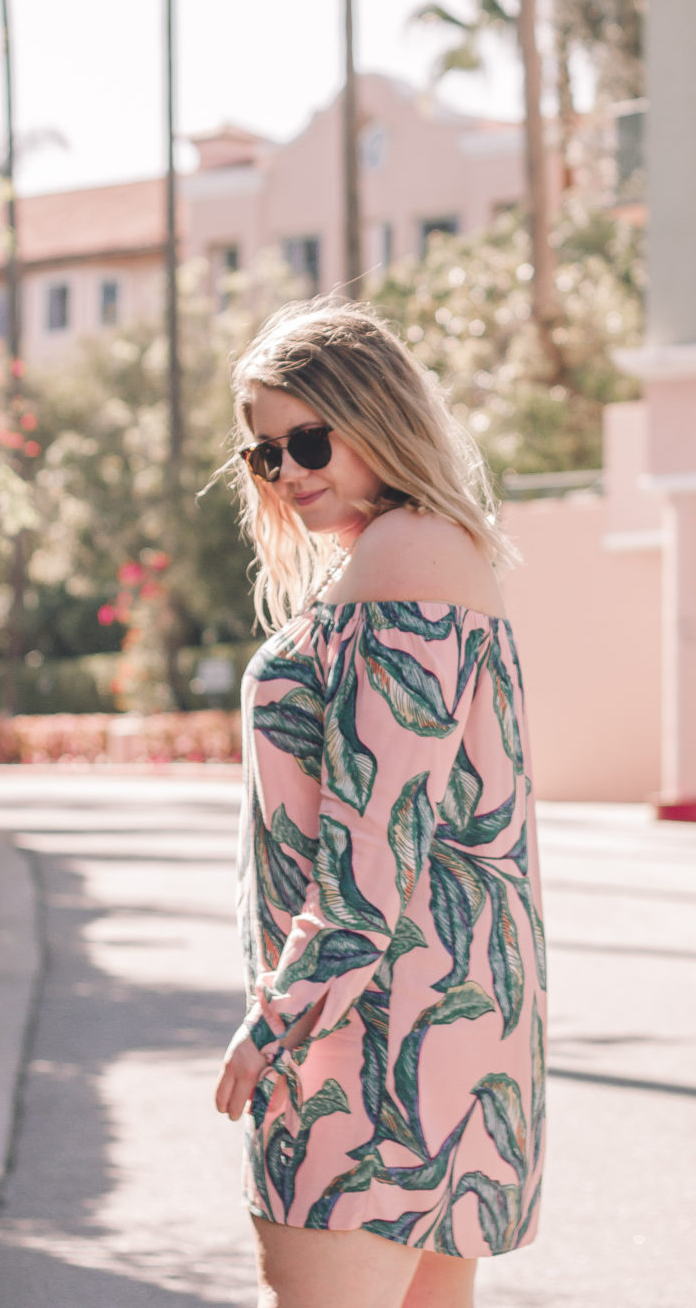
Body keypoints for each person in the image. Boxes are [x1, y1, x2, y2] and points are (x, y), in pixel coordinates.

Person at [214, 301, 546, 1308]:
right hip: (446, 1021)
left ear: (376, 413)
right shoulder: (418, 551)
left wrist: (275, 1019)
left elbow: (376, 841)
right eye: (265, 454)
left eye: (309, 439)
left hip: (372, 1036)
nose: (289, 470)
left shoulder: (403, 556)